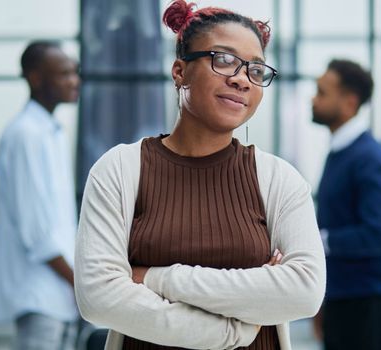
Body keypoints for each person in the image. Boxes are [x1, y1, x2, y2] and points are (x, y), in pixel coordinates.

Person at [75, 1, 326, 349]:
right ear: (180, 71)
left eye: (255, 69)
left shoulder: (279, 179)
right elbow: (98, 296)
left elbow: (304, 293)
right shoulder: (119, 169)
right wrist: (228, 331)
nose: (241, 79)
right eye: (223, 60)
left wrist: (155, 277)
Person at [0, 41, 80, 350]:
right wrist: (78, 282)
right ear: (35, 78)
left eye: (75, 72)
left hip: (59, 298)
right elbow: (37, 232)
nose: (74, 80)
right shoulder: (25, 134)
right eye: (64, 73)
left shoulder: (50, 131)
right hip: (38, 296)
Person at [311, 59, 381, 350]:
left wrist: (319, 241)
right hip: (342, 296)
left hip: (367, 303)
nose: (313, 99)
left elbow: (378, 233)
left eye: (322, 92)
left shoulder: (367, 156)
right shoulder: (340, 151)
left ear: (349, 102)